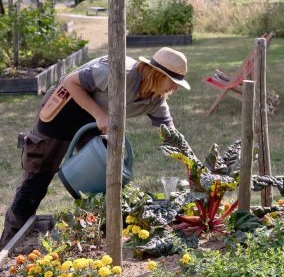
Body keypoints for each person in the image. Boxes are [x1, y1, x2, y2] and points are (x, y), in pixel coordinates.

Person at [0, 47, 190, 247]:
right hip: (63, 111)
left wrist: (191, 163)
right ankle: (8, 245)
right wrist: (100, 115)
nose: (174, 88)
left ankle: (95, 237)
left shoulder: (156, 99)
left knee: (105, 178)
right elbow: (70, 82)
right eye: (173, 82)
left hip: (95, 119)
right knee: (36, 182)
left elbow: (171, 134)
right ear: (157, 74)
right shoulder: (117, 72)